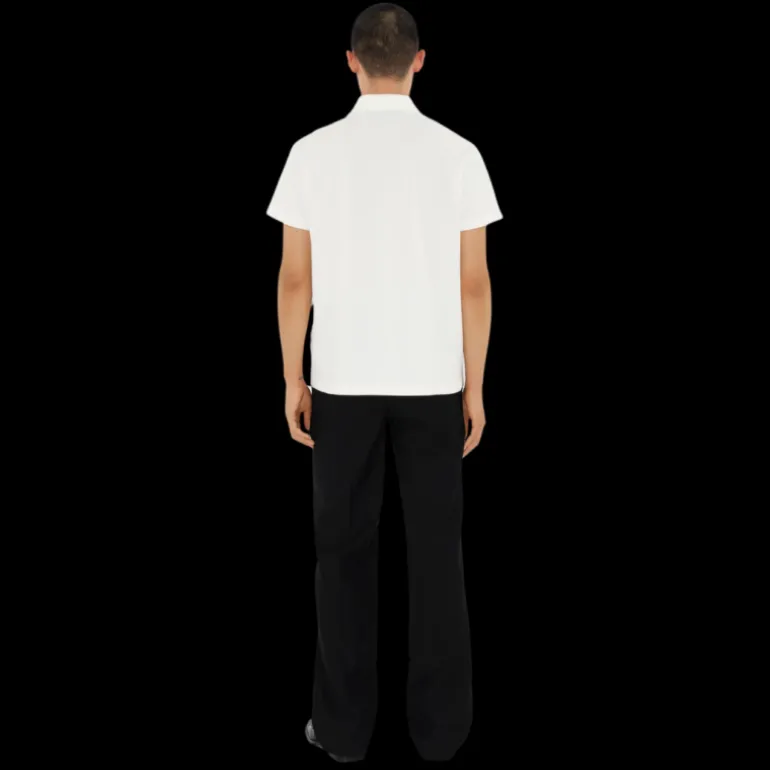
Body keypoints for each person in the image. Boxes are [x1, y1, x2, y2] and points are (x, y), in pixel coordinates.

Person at [266, 3, 502, 762]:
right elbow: (474, 284)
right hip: (433, 382)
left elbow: (294, 279)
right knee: (437, 556)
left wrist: (292, 376)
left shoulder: (310, 152)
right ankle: (441, 732)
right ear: (420, 61)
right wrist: (474, 387)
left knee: (340, 555)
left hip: (342, 381)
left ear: (351, 61)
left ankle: (341, 731)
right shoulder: (459, 154)